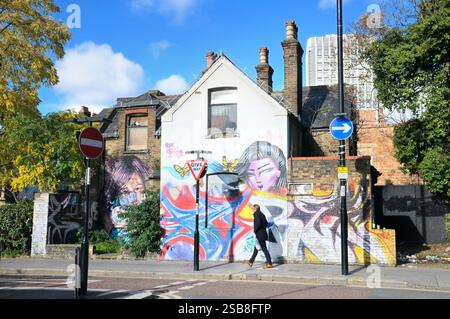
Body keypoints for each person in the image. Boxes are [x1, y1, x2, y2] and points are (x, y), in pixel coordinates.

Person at [245, 204, 273, 269]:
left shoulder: (257, 214)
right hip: (262, 234)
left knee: (264, 249)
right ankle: (251, 261)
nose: (252, 209)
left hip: (259, 235)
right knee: (256, 248)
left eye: (253, 208)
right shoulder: (262, 214)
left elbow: (258, 223)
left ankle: (269, 263)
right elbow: (266, 224)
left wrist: (255, 230)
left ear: (255, 208)